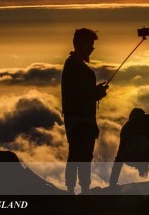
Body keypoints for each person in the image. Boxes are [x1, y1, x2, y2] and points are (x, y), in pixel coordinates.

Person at [61, 28, 108, 195]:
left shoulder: (73, 65)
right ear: (81, 45)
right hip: (81, 120)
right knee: (81, 156)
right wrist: (96, 93)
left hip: (78, 119)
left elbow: (81, 93)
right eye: (90, 44)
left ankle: (75, 190)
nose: (92, 48)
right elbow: (79, 95)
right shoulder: (75, 67)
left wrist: (95, 92)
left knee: (79, 155)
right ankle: (80, 191)